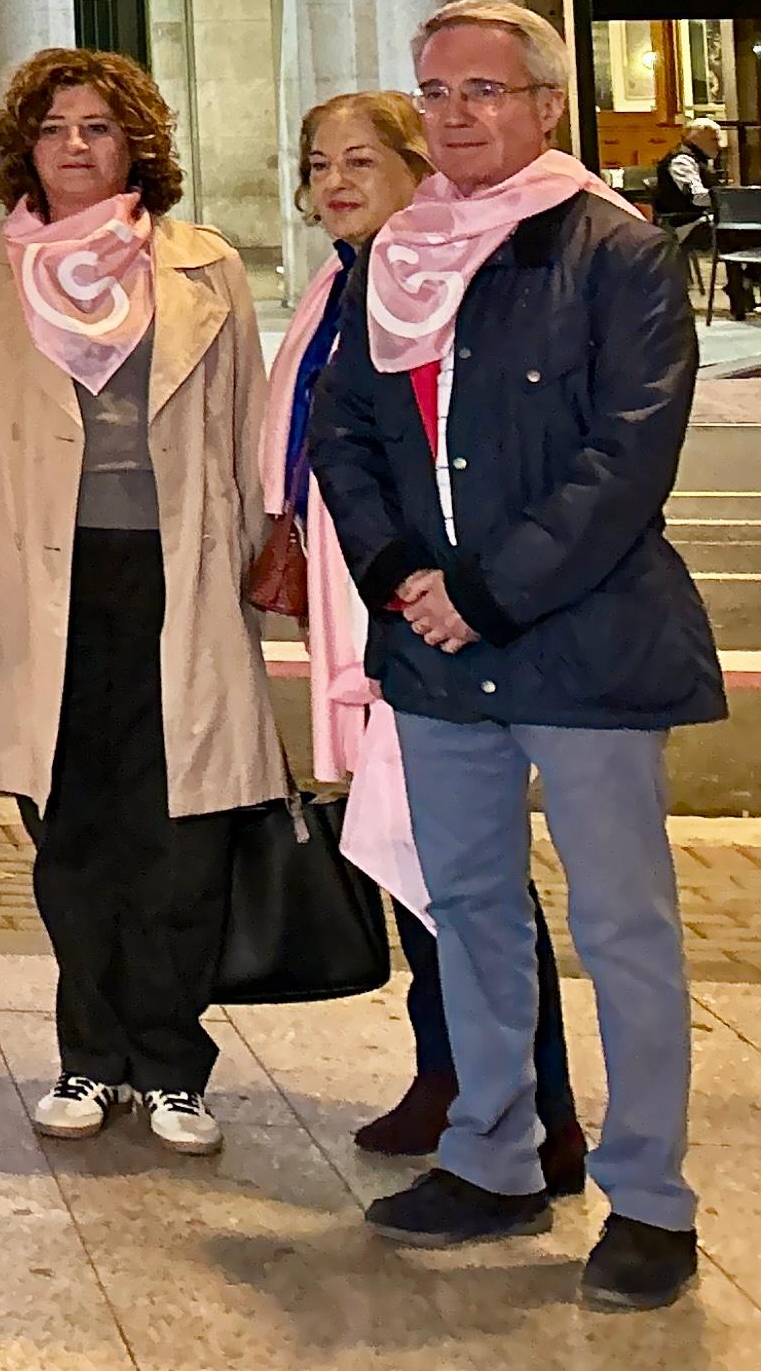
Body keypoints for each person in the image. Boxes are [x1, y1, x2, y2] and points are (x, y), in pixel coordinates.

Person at [313, 0, 721, 1313]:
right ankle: (494, 1157)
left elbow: (628, 461)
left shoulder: (617, 252)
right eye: (434, 92)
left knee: (622, 925)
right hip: (436, 656)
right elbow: (347, 431)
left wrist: (486, 591)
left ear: (546, 105)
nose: (454, 114)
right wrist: (392, 578)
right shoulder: (395, 259)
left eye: (484, 90)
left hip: (581, 642)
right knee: (472, 911)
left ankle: (651, 1199)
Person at [0, 48, 289, 1160]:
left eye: (97, 128)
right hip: (42, 587)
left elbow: (248, 436)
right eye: (52, 129)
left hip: (178, 581)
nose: (74, 147)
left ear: (137, 145)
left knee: (182, 834)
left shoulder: (203, 266)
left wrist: (261, 572)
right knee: (71, 831)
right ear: (21, 149)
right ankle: (88, 1055)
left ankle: (172, 1065)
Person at [268, 92, 585, 1190]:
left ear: (417, 168)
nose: (337, 182)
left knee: (465, 858)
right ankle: (451, 1066)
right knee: (428, 858)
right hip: (367, 597)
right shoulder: (348, 282)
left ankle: (533, 1103)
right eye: (319, 165)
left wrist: (422, 584)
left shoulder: (430, 281)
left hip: (425, 606)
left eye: (363, 159)